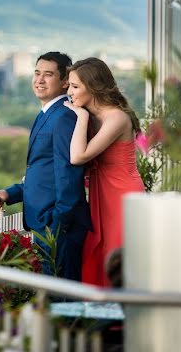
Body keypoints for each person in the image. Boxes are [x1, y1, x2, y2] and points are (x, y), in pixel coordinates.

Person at [0, 52, 91, 281]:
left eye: (48, 74)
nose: (40, 80)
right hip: (47, 225)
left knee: (62, 299)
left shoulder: (64, 116)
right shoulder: (46, 113)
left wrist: (58, 222)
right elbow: (42, 170)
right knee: (54, 296)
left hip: (57, 228)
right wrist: (11, 193)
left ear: (65, 81)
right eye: (37, 73)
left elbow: (68, 174)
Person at [63, 57, 145, 287]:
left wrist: (81, 116)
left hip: (122, 195)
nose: (69, 91)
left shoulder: (116, 117)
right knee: (98, 251)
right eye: (70, 85)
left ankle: (123, 316)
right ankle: (100, 316)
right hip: (102, 194)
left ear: (94, 87)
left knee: (119, 253)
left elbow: (78, 156)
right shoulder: (94, 115)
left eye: (75, 86)